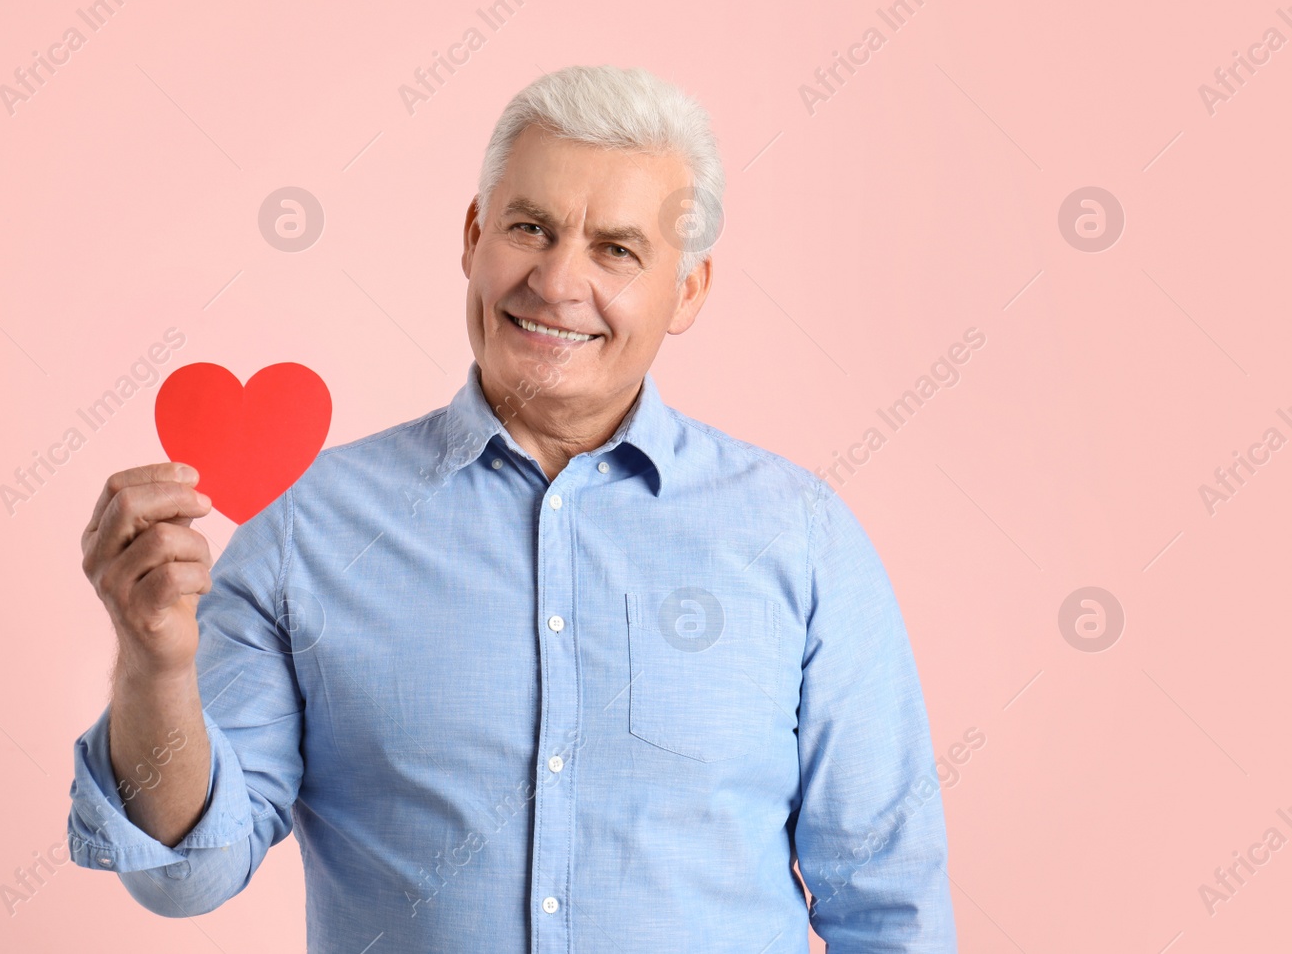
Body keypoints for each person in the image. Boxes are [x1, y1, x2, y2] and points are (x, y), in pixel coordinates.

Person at [69, 64, 958, 952]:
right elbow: (186, 871)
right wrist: (154, 665)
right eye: (530, 228)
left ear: (687, 289)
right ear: (472, 234)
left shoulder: (797, 538)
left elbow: (887, 908)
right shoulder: (309, 529)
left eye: (616, 248)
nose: (558, 281)